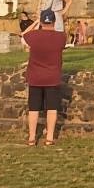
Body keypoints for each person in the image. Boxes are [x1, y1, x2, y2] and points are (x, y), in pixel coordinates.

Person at [22, 9, 65, 146]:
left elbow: (23, 35)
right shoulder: (61, 37)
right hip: (52, 77)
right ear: (54, 21)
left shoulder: (33, 36)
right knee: (52, 108)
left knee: (34, 108)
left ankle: (32, 137)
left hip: (35, 76)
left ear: (41, 21)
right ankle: (50, 138)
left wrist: (35, 22)